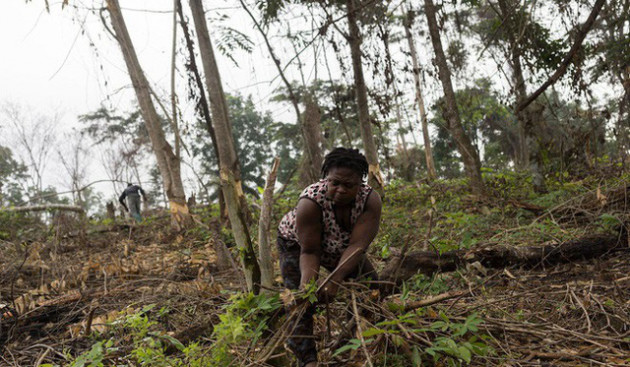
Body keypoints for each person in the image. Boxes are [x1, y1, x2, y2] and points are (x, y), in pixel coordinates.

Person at [277, 147, 382, 367]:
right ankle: (308, 360)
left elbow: (357, 245)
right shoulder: (310, 202)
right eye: (335, 183)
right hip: (297, 244)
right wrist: (309, 285)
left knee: (372, 288)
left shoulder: (370, 201)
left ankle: (348, 347)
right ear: (327, 178)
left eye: (348, 185)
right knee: (300, 299)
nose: (341, 190)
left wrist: (334, 280)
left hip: (342, 246)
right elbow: (310, 251)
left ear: (360, 183)